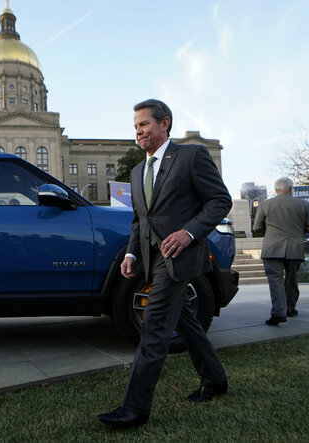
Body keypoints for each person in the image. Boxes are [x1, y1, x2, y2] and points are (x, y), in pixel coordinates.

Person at [98, 99, 232, 429]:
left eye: (143, 124)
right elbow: (139, 221)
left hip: (180, 256)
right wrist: (131, 255)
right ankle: (215, 379)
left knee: (154, 327)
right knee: (185, 321)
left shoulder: (191, 156)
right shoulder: (137, 171)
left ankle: (134, 409)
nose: (138, 132)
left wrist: (189, 233)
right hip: (149, 257)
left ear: (164, 124)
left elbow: (220, 201)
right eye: (135, 127)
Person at [252, 177, 309, 325]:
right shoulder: (303, 205)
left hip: (272, 247)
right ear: (291, 189)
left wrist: (268, 234)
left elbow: (256, 228)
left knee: (275, 280)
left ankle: (278, 312)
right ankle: (290, 309)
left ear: (275, 190)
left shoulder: (265, 204)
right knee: (291, 279)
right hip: (295, 247)